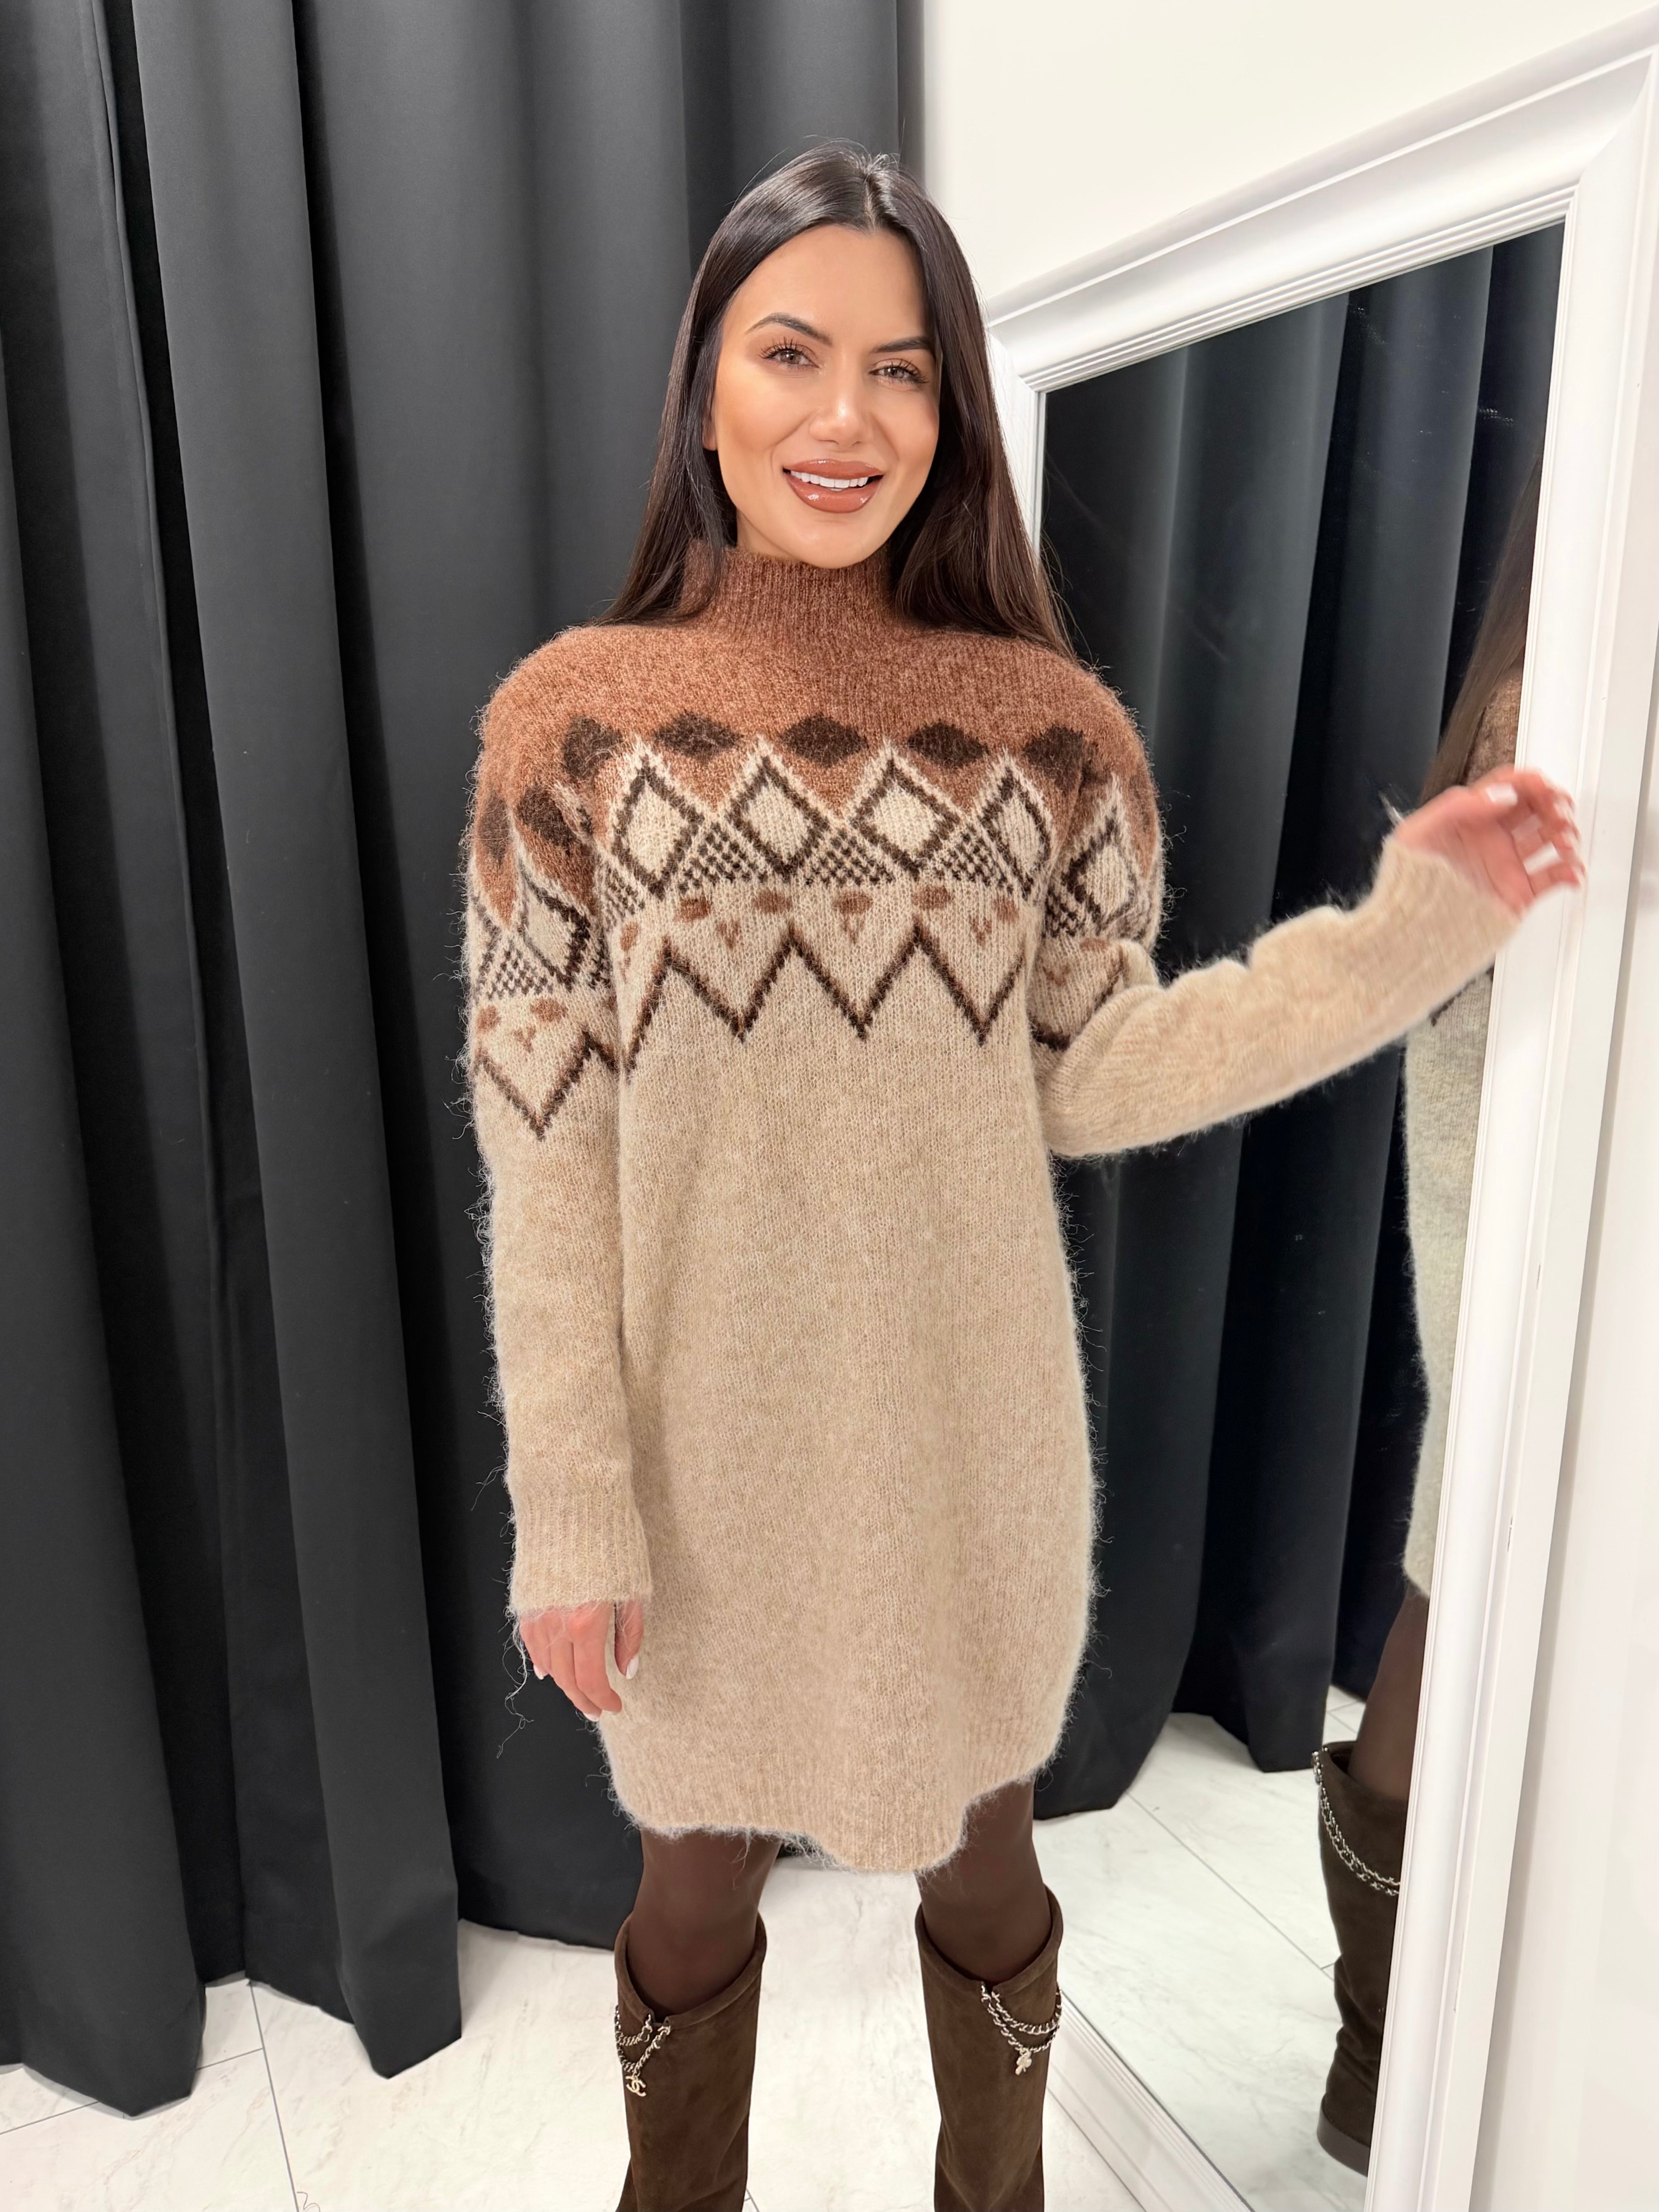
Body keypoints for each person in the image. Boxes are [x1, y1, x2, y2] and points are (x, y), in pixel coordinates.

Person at [461, 144, 1580, 2212]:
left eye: (902, 369)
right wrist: (574, 1501)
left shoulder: (1042, 735)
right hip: (698, 1463)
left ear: (951, 408)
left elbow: (1108, 1065)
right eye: (790, 352)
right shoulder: (574, 732)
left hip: (967, 1447)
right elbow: (547, 1157)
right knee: (689, 1893)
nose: (846, 414)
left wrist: (1399, 934)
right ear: (703, 383)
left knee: (987, 1871)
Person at [1312, 450, 1546, 2179]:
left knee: (1451, 1551)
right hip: (1525, 1076)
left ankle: (1385, 2055)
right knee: (1463, 1544)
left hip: (1510, 1062)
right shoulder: (1568, 663)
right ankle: (1383, 2051)